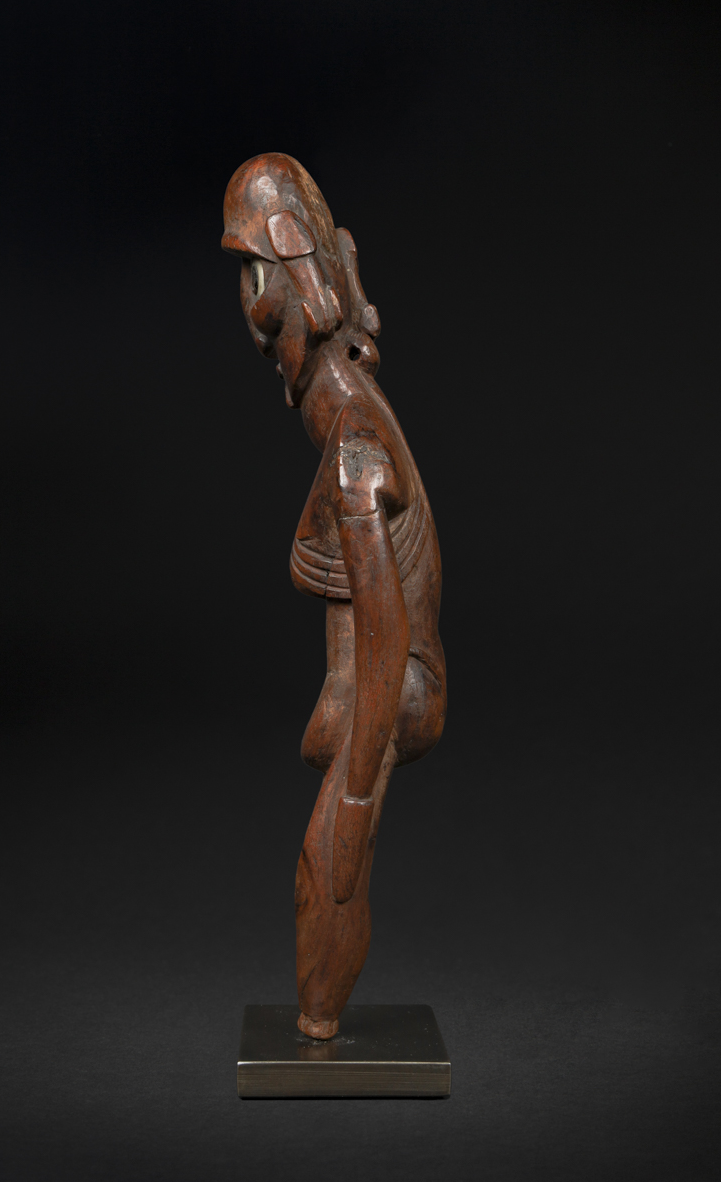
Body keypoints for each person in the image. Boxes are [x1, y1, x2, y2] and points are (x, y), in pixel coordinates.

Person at [223, 154, 446, 1039]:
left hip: (393, 688)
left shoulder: (355, 449)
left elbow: (386, 628)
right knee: (325, 852)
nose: (246, 305)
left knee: (325, 869)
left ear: (293, 286)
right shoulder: (347, 422)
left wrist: (353, 801)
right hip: (369, 682)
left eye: (253, 276)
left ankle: (319, 1020)